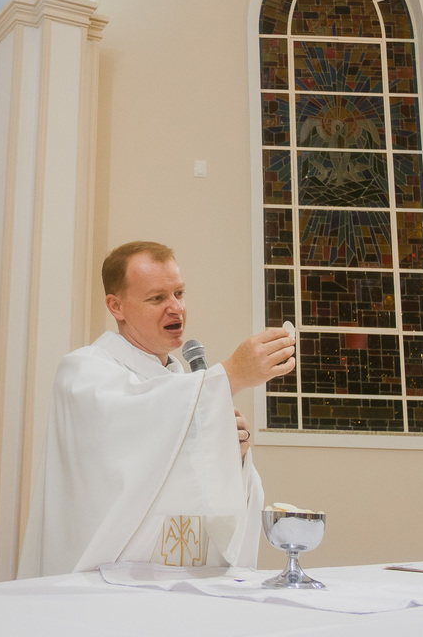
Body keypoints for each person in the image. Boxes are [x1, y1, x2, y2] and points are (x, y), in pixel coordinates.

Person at [17, 241, 296, 577]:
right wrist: (231, 375)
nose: (175, 307)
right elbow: (132, 436)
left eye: (179, 293)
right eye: (157, 298)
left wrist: (232, 455)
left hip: (187, 586)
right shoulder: (82, 372)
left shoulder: (184, 384)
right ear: (116, 306)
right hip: (103, 590)